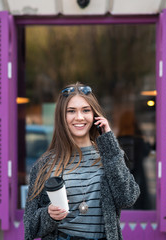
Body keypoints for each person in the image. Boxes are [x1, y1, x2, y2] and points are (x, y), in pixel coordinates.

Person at [23, 83, 140, 240]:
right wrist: (48, 215)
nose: (79, 117)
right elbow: (30, 227)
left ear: (94, 115)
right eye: (71, 111)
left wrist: (109, 141)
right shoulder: (45, 164)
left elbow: (127, 198)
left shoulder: (109, 155)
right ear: (62, 117)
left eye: (86, 110)